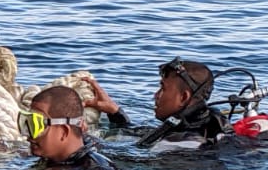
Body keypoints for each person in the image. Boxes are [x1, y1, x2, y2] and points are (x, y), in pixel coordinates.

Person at [84, 58, 229, 148]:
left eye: (163, 89)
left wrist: (83, 139)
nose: (156, 95)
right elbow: (145, 135)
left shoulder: (184, 142)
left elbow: (126, 167)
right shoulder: (200, 123)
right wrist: (115, 112)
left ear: (184, 97)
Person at [23, 85, 114, 170]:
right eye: (28, 124)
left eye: (37, 126)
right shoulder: (50, 155)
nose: (28, 136)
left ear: (64, 132)